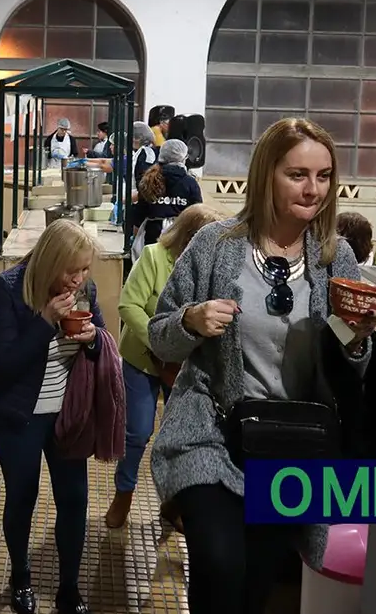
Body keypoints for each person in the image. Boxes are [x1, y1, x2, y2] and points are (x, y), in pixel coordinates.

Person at [148, 118, 376, 614]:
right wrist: (192, 320)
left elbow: (352, 361)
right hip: (211, 435)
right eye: (298, 174)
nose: (314, 189)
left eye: (324, 176)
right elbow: (160, 337)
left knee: (256, 584)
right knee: (220, 564)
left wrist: (358, 338)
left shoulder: (336, 258)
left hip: (293, 446)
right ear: (267, 175)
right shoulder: (216, 246)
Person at [0, 219, 104, 614]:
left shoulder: (85, 290)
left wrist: (94, 339)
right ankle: (20, 577)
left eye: (85, 269)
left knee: (74, 499)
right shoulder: (9, 288)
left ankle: (69, 586)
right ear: (50, 262)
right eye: (72, 270)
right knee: (22, 497)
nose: (78, 279)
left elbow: (100, 342)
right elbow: (6, 363)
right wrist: (46, 320)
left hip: (66, 415)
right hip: (18, 415)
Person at [106, 204, 226, 530]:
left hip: (184, 366)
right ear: (189, 237)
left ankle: (174, 504)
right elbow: (128, 305)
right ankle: (124, 494)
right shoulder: (153, 257)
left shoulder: (210, 269)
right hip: (143, 360)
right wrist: (159, 344)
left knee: (182, 436)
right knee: (139, 432)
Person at [128, 139, 204, 259]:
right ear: (183, 158)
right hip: (179, 238)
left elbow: (140, 212)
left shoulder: (149, 179)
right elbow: (198, 213)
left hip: (152, 236)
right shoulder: (190, 183)